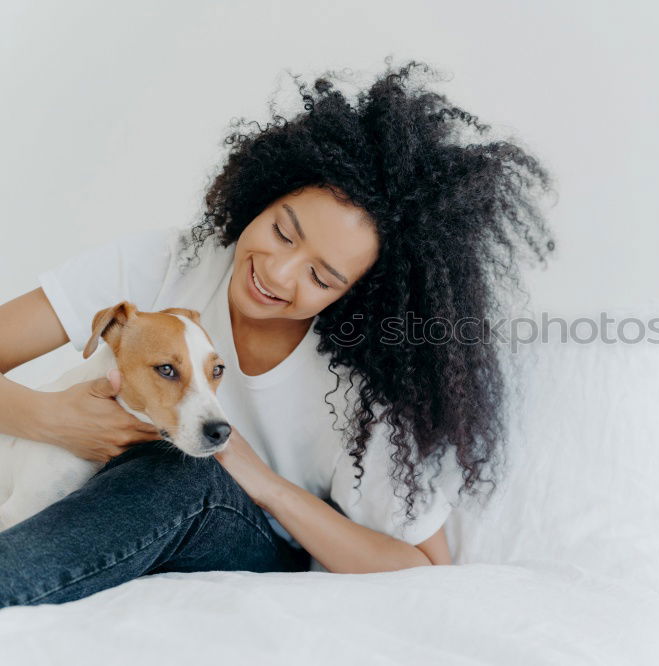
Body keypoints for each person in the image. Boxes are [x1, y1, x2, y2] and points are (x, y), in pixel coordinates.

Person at [0, 59, 555, 608]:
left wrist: (261, 482)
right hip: (106, 500)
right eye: (282, 231)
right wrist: (52, 419)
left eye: (320, 277)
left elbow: (426, 568)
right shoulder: (169, 262)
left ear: (356, 294)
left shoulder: (361, 392)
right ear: (264, 194)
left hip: (240, 529)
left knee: (182, 475)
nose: (277, 273)